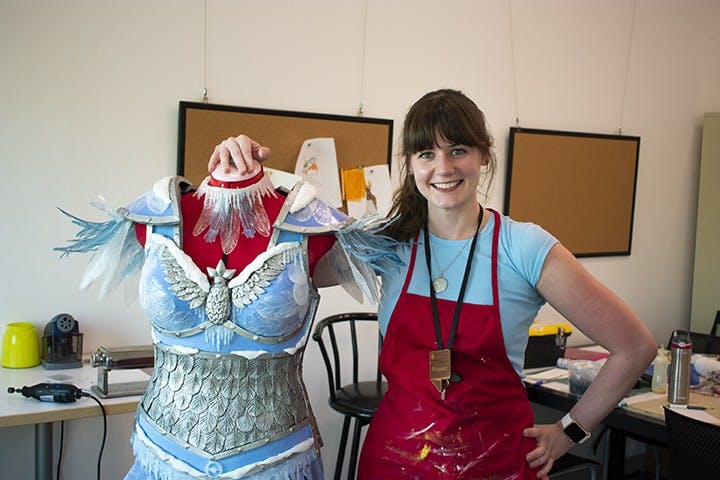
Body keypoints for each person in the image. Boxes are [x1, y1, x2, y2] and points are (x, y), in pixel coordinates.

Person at [207, 89, 656, 480]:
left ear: (483, 155)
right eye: (426, 154)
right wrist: (248, 182)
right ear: (411, 165)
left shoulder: (524, 248)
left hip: (497, 466)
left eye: (457, 149)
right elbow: (279, 266)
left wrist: (568, 431)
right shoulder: (387, 242)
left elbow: (634, 347)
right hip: (394, 464)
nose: (443, 167)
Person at [56, 139, 399, 480]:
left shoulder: (315, 226)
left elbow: (396, 247)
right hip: (163, 456)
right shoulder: (152, 216)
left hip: (276, 460)